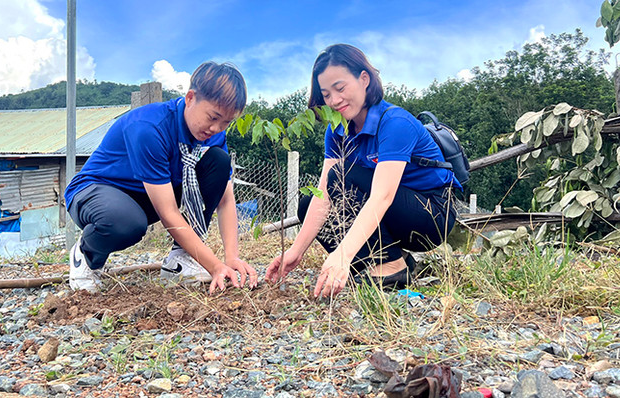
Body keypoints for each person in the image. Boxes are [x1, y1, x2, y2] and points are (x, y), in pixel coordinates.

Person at [265, 44, 459, 298]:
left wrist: (343, 254)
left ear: (364, 79)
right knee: (308, 204)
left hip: (430, 215)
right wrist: (295, 252)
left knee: (342, 177)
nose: (334, 101)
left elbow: (382, 197)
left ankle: (391, 269)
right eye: (326, 94)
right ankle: (392, 261)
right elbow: (324, 192)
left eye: (340, 88)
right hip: (391, 216)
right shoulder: (336, 131)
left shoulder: (394, 123)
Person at [64, 61, 258, 295]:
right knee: (126, 223)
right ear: (190, 98)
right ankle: (86, 255)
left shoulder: (212, 135)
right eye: (212, 117)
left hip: (149, 195)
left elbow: (225, 200)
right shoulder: (150, 127)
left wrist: (231, 257)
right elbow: (168, 213)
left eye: (226, 122)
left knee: (217, 161)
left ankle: (179, 261)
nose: (216, 128)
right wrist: (215, 267)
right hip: (97, 191)